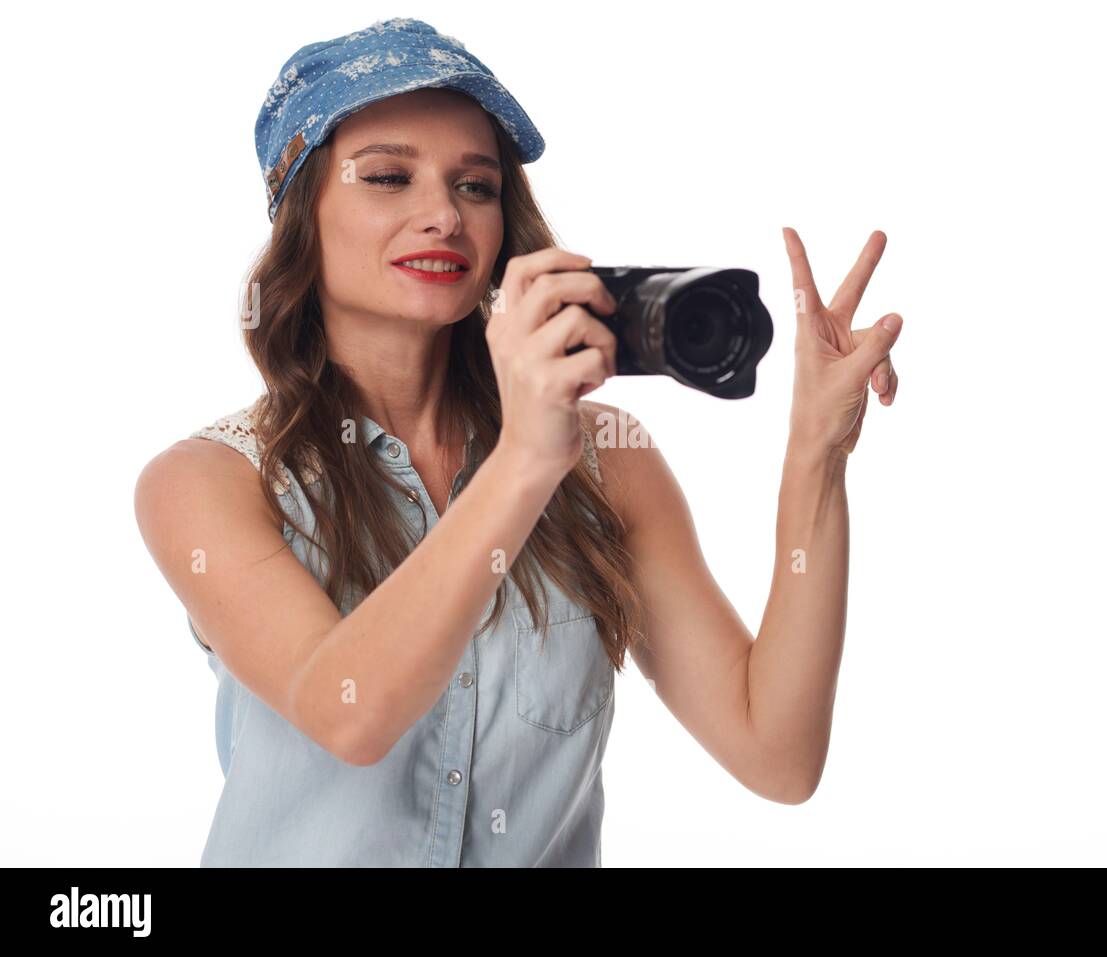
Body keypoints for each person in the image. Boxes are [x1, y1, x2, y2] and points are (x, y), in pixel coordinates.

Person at [133, 17, 903, 867]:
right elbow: (347, 711)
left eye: (476, 186)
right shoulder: (208, 482)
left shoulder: (609, 461)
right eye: (389, 176)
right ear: (301, 220)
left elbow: (778, 753)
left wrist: (816, 453)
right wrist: (528, 457)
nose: (442, 216)